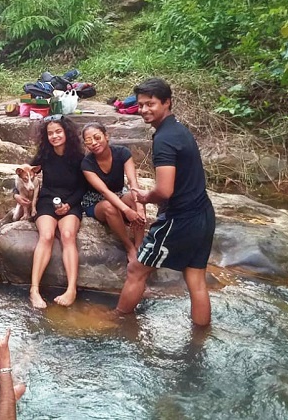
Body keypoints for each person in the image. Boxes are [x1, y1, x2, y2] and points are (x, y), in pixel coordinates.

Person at [116, 78, 216, 326]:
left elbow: (164, 190)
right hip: (203, 214)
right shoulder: (178, 129)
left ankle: (117, 322)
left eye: (150, 104)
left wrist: (146, 197)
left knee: (136, 270)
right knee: (196, 279)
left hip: (180, 219)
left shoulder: (165, 138)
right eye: (140, 105)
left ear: (167, 102)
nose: (144, 110)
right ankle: (200, 335)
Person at [24, 115, 87, 309]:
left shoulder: (79, 157)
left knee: (68, 235)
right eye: (50, 133)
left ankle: (71, 289)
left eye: (58, 132)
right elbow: (26, 172)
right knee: (47, 235)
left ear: (66, 132)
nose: (54, 136)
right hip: (47, 200)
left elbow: (83, 187)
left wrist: (69, 204)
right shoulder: (44, 154)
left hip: (72, 201)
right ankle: (34, 290)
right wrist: (16, 194)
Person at [80, 123, 146, 260]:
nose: (94, 143)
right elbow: (104, 191)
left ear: (106, 136)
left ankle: (139, 245)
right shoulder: (87, 163)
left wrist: (139, 207)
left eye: (97, 137)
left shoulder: (122, 153)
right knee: (109, 206)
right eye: (89, 141)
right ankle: (129, 247)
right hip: (96, 202)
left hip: (119, 194)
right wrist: (127, 211)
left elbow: (132, 182)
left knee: (136, 197)